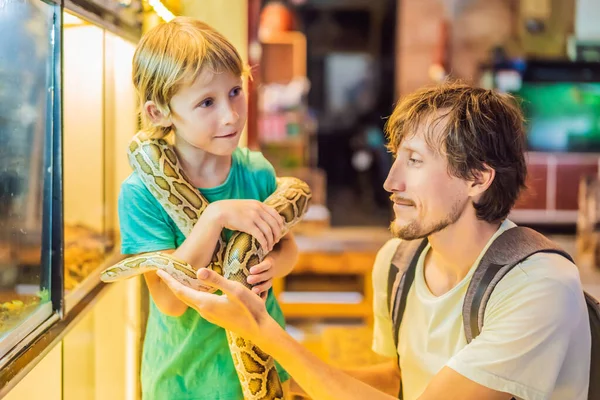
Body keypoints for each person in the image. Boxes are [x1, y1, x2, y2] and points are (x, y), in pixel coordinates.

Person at [158, 83, 592, 400]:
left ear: (477, 178)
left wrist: (265, 334)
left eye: (416, 161)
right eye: (396, 158)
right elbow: (400, 379)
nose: (390, 181)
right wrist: (292, 386)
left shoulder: (540, 286)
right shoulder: (397, 262)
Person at [119, 17, 297, 399]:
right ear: (158, 113)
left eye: (235, 91)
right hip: (185, 381)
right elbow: (169, 302)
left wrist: (271, 268)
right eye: (207, 102)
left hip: (270, 361)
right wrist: (214, 217)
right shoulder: (141, 195)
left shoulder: (256, 172)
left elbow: (287, 248)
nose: (231, 115)